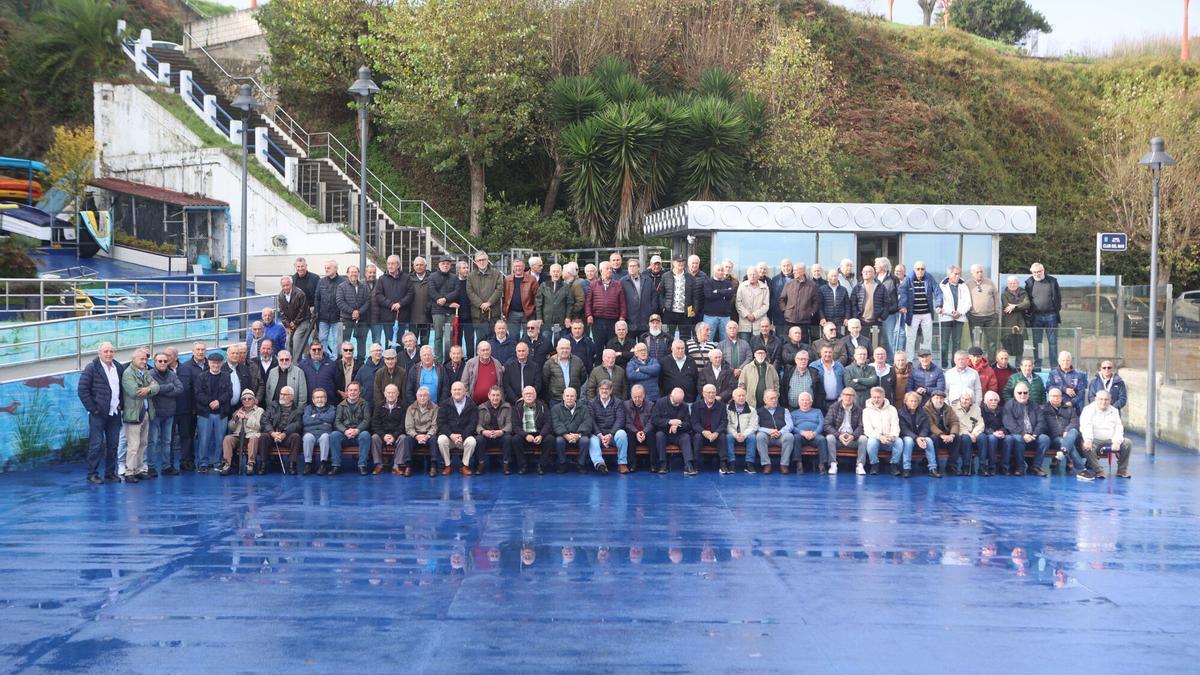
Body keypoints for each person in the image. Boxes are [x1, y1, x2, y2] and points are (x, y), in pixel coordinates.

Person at [117, 348, 158, 483]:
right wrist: (149, 387)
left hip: (145, 412)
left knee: (143, 443)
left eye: (146, 359)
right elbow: (134, 392)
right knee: (133, 445)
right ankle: (130, 472)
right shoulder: (128, 373)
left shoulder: (145, 372)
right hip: (134, 414)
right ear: (134, 359)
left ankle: (140, 469)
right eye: (141, 359)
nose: (144, 361)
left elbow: (156, 386)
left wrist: (148, 389)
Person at [1077, 389, 1132, 480]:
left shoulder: (1114, 410)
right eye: (1101, 399)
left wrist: (1117, 442)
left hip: (1110, 440)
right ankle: (1098, 470)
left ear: (1110, 400)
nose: (1103, 402)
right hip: (1094, 440)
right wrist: (1088, 440)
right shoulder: (1088, 410)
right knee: (1085, 445)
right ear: (1096, 399)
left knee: (1127, 443)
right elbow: (1086, 426)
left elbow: (1118, 427)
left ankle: (1122, 470)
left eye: (1106, 399)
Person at [193, 350, 232, 473]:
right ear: (209, 363)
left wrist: (219, 402)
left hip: (221, 413)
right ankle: (203, 463)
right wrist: (210, 402)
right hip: (205, 413)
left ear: (222, 363)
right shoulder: (201, 376)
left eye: (218, 363)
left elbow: (229, 393)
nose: (216, 365)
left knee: (220, 439)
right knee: (204, 439)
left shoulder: (226, 376)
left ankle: (217, 462)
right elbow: (198, 393)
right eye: (213, 363)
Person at [1002, 381, 1050, 476]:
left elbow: (1042, 422)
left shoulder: (1035, 406)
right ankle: (1020, 467)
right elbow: (1009, 424)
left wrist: (1035, 434)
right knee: (1018, 438)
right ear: (1015, 394)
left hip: (1033, 436)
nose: (1022, 395)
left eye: (1025, 393)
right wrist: (1023, 434)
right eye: (1019, 393)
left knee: (1045, 438)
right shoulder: (1009, 405)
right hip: (1019, 436)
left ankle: (1036, 467)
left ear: (1028, 394)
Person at [148, 351, 182, 476]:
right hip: (155, 414)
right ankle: (150, 467)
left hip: (169, 414)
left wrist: (159, 389)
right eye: (160, 361)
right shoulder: (150, 374)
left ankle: (166, 466)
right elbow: (151, 391)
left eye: (165, 361)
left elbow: (180, 389)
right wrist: (169, 387)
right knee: (152, 441)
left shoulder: (172, 374)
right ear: (155, 362)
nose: (163, 363)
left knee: (167, 442)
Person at [898, 261, 941, 360]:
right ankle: (909, 361)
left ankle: (926, 360)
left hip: (926, 313)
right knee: (910, 339)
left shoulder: (929, 277)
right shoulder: (908, 279)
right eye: (918, 269)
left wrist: (939, 305)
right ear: (914, 270)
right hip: (913, 314)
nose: (920, 271)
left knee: (928, 338)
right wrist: (902, 306)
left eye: (922, 269)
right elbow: (903, 292)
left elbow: (938, 291)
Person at [1024, 262, 1062, 369]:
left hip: (1051, 316)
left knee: (1053, 343)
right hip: (1036, 317)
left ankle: (1054, 367)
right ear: (1031, 272)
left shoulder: (1052, 281)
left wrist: (1055, 310)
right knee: (1037, 343)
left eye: (1039, 271)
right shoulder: (1029, 283)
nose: (1037, 274)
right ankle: (1038, 366)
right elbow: (1027, 299)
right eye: (1035, 272)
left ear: (1043, 270)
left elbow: (1058, 298)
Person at [466, 251, 504, 356]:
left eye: (483, 260)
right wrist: (481, 304)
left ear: (487, 261)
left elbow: (499, 289)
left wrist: (489, 303)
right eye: (479, 260)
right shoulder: (471, 276)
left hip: (493, 314)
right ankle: (479, 362)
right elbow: (470, 292)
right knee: (480, 340)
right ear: (475, 262)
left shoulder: (496, 273)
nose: (481, 262)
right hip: (478, 315)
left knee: (493, 340)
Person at [437, 381, 479, 475]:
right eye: (454, 389)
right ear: (451, 392)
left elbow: (472, 424)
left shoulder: (472, 405)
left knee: (472, 441)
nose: (457, 392)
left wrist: (463, 436)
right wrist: (451, 435)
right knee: (441, 439)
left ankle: (465, 465)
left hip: (464, 437)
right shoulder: (445, 404)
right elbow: (441, 423)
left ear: (464, 391)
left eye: (459, 389)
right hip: (450, 437)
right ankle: (447, 465)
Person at [218, 389, 264, 475]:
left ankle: (251, 464)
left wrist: (246, 417)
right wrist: (236, 419)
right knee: (227, 438)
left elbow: (259, 426)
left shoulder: (260, 411)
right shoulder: (238, 411)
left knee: (254, 438)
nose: (247, 401)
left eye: (249, 399)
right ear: (242, 401)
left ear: (254, 400)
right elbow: (231, 427)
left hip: (252, 434)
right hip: (238, 435)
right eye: (244, 399)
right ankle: (227, 464)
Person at [331, 381, 372, 476]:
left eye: (355, 390)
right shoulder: (340, 405)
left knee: (366, 435)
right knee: (334, 435)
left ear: (359, 392)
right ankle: (336, 465)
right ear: (347, 392)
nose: (352, 392)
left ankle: (362, 465)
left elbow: (366, 420)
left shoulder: (364, 404)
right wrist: (345, 431)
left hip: (359, 434)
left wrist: (357, 430)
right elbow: (337, 421)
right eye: (350, 390)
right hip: (345, 434)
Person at [375, 254, 414, 349]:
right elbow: (378, 295)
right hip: (387, 317)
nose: (390, 266)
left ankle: (400, 362)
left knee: (401, 342)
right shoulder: (382, 279)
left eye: (392, 263)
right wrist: (391, 304)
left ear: (398, 265)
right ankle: (388, 362)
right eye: (388, 264)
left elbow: (410, 294)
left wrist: (400, 304)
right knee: (389, 342)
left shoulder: (406, 278)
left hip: (402, 316)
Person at [651, 387, 694, 475]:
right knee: (659, 435)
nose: (677, 404)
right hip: (664, 432)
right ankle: (663, 465)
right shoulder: (660, 403)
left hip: (679, 433)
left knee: (686, 437)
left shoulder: (685, 406)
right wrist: (669, 422)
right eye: (675, 402)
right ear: (671, 396)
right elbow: (655, 420)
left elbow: (689, 424)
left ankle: (688, 465)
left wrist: (679, 424)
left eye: (679, 402)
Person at [822, 387, 865, 474]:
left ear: (854, 397)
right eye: (846, 395)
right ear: (841, 396)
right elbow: (827, 425)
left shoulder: (859, 410)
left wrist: (853, 436)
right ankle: (833, 464)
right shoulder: (834, 407)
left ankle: (860, 465)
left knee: (863, 439)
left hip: (853, 439)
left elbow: (861, 426)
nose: (848, 397)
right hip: (838, 439)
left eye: (851, 395)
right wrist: (838, 435)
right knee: (830, 438)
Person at [552, 387, 594, 473]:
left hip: (579, 436)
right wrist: (565, 435)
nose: (569, 398)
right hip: (563, 436)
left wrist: (578, 435)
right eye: (567, 396)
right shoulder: (555, 409)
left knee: (585, 440)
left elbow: (587, 423)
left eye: (572, 396)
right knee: (558, 440)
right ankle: (562, 464)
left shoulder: (584, 408)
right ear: (563, 397)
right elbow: (557, 424)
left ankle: (581, 464)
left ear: (576, 397)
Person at [262, 386, 303, 474]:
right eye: (281, 394)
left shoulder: (297, 410)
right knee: (263, 436)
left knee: (296, 437)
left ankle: (292, 465)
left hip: (286, 436)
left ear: (292, 397)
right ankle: (263, 464)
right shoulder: (273, 405)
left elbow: (297, 424)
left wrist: (284, 433)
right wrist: (272, 433)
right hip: (273, 434)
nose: (282, 396)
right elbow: (264, 420)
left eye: (285, 394)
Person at [511, 386, 552, 474]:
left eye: (531, 394)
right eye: (526, 394)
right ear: (522, 395)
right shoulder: (516, 408)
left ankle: (541, 465)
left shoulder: (543, 406)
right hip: (524, 434)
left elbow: (548, 423)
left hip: (538, 434)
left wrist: (541, 435)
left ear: (535, 395)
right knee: (515, 440)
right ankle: (523, 465)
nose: (529, 396)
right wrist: (525, 435)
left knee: (550, 439)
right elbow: (515, 426)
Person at [586, 261, 627, 350]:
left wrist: (622, 316)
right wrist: (589, 315)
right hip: (598, 321)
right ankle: (598, 364)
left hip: (613, 321)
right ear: (601, 271)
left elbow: (622, 303)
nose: (610, 271)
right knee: (598, 347)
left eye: (611, 269)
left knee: (612, 347)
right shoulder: (594, 285)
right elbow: (588, 302)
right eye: (607, 269)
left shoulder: (617, 284)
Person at [862, 386, 902, 476]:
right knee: (871, 442)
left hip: (889, 438)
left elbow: (895, 426)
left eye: (879, 397)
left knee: (899, 442)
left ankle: (894, 465)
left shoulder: (892, 409)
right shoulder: (866, 411)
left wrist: (892, 436)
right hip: (876, 438)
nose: (876, 400)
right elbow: (867, 430)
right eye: (874, 397)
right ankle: (874, 465)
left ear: (884, 396)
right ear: (871, 397)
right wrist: (880, 437)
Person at [589, 380, 627, 473]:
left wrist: (610, 435)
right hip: (599, 436)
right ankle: (600, 464)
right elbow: (591, 421)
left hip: (613, 436)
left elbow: (620, 420)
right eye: (602, 388)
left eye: (606, 389)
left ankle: (622, 463)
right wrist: (600, 435)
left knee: (622, 434)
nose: (604, 391)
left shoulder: (618, 403)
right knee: (591, 439)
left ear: (611, 390)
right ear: (598, 390)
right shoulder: (592, 403)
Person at [936, 265, 971, 368]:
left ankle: (955, 365)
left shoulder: (963, 285)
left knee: (957, 343)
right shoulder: (942, 285)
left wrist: (959, 312)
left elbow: (968, 302)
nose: (958, 276)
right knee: (944, 344)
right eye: (955, 273)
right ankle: (944, 366)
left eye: (959, 273)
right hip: (946, 318)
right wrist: (951, 312)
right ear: (949, 274)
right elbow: (941, 302)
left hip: (959, 318)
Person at [897, 391, 938, 478]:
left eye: (916, 401)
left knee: (929, 440)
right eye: (911, 401)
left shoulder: (923, 412)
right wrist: (916, 438)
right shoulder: (900, 413)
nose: (914, 403)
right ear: (906, 401)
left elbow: (926, 427)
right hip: (908, 437)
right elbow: (904, 429)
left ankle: (933, 468)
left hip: (920, 438)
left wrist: (921, 437)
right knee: (908, 441)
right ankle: (906, 468)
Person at [370, 384, 408, 475]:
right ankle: (379, 465)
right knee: (374, 437)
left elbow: (403, 424)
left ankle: (396, 466)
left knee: (403, 438)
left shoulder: (403, 406)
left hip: (397, 435)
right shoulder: (379, 406)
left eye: (393, 392)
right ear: (385, 394)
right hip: (383, 435)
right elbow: (375, 424)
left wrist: (394, 436)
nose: (391, 395)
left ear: (398, 394)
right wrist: (383, 436)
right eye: (389, 392)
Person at [753, 388, 793, 474]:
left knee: (789, 436)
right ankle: (766, 464)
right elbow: (756, 426)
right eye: (771, 398)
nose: (774, 400)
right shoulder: (758, 411)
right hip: (767, 436)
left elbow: (790, 425)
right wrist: (769, 431)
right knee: (760, 436)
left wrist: (780, 432)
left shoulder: (784, 410)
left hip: (781, 436)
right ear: (765, 400)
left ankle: (784, 465)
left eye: (775, 398)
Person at [689, 384, 726, 474]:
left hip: (715, 434)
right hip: (702, 433)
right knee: (697, 437)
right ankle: (695, 464)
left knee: (722, 437)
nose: (711, 395)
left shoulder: (721, 406)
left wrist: (716, 432)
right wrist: (703, 431)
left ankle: (723, 464)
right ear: (703, 394)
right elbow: (694, 423)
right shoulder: (696, 405)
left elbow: (724, 422)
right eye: (709, 392)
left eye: (713, 392)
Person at [659, 256, 699, 340]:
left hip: (685, 313)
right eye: (678, 261)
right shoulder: (665, 276)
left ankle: (685, 353)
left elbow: (695, 296)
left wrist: (694, 310)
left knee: (686, 337)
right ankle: (668, 353)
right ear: (673, 263)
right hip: (669, 312)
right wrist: (663, 306)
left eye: (682, 262)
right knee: (668, 337)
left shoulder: (690, 278)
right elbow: (660, 293)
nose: (681, 263)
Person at [335, 265, 371, 359]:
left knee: (362, 342)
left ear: (358, 273)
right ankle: (342, 361)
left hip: (362, 320)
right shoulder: (341, 286)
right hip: (346, 320)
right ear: (347, 274)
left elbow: (368, 301)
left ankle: (360, 361)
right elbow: (340, 302)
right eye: (351, 272)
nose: (353, 274)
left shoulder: (364, 286)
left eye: (355, 272)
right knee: (344, 342)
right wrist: (353, 312)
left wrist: (359, 312)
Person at [1043, 387, 1080, 475]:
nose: (1056, 398)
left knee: (1074, 431)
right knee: (1065, 441)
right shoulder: (1043, 409)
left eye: (1058, 396)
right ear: (1049, 397)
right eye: (1053, 396)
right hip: (1054, 438)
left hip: (1069, 435)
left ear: (1062, 397)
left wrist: (1067, 431)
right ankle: (1080, 468)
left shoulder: (1069, 409)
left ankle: (1063, 453)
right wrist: (1060, 433)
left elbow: (1075, 421)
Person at [430, 256, 461, 362]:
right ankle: (438, 360)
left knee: (449, 337)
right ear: (439, 265)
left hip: (450, 313)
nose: (445, 265)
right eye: (443, 263)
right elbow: (432, 292)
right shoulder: (432, 277)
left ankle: (449, 360)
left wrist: (444, 299)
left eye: (447, 263)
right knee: (438, 336)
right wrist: (447, 302)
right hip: (438, 312)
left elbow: (456, 292)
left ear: (450, 265)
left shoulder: (455, 277)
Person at [781, 262, 821, 343]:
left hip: (804, 321)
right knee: (788, 343)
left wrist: (811, 313)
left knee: (803, 343)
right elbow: (782, 299)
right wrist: (785, 311)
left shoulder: (812, 285)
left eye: (796, 270)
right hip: (789, 321)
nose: (793, 272)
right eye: (794, 270)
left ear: (803, 271)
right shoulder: (789, 283)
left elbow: (816, 302)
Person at [475, 385, 512, 474]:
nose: (495, 397)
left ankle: (506, 464)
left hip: (500, 436)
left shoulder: (507, 407)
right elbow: (478, 425)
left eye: (497, 395)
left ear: (501, 396)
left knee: (508, 438)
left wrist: (502, 431)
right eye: (493, 395)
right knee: (479, 439)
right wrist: (483, 432)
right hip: (487, 437)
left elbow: (509, 424)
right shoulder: (481, 408)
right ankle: (481, 464)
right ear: (489, 396)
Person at [966, 264, 1001, 355]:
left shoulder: (990, 282)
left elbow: (996, 298)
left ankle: (992, 364)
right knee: (976, 342)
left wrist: (996, 312)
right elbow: (964, 300)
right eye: (977, 272)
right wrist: (968, 314)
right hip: (975, 318)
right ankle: (976, 364)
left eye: (981, 271)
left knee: (992, 342)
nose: (980, 274)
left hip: (991, 318)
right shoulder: (968, 284)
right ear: (972, 273)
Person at [405, 386, 440, 476]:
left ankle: (433, 466)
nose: (422, 398)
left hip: (429, 435)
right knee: (407, 439)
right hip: (416, 435)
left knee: (434, 439)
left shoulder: (435, 408)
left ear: (429, 396)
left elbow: (435, 426)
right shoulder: (411, 408)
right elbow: (409, 427)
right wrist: (416, 436)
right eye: (420, 395)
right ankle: (408, 466)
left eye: (425, 395)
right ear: (417, 396)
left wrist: (427, 436)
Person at [301, 388, 337, 475]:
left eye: (322, 397)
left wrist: (314, 416)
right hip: (310, 433)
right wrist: (323, 420)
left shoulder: (332, 408)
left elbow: (330, 418)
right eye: (317, 397)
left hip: (324, 433)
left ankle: (323, 464)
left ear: (326, 399)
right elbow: (306, 420)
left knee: (325, 437)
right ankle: (308, 464)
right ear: (313, 399)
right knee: (307, 437)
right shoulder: (308, 408)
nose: (319, 399)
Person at [314, 260, 346, 356]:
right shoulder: (321, 281)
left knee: (338, 340)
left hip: (338, 318)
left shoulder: (343, 282)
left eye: (328, 268)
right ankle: (325, 357)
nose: (326, 270)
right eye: (325, 268)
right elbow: (317, 298)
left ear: (335, 269)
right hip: (323, 317)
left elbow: (345, 299)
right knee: (322, 338)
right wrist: (316, 312)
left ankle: (336, 359)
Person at [923, 389, 959, 476]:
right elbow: (930, 425)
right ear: (931, 398)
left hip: (947, 435)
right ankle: (936, 466)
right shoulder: (925, 409)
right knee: (933, 438)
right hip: (934, 435)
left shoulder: (948, 408)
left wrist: (952, 434)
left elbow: (955, 422)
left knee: (957, 438)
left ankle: (951, 466)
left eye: (941, 398)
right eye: (937, 398)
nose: (939, 400)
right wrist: (942, 435)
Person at [789, 391, 825, 474]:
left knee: (822, 439)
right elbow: (792, 427)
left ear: (811, 402)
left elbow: (821, 424)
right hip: (800, 435)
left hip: (815, 435)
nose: (804, 402)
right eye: (802, 400)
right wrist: (802, 432)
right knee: (796, 438)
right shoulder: (793, 413)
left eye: (807, 400)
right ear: (798, 402)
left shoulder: (818, 411)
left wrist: (815, 433)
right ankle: (799, 464)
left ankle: (822, 465)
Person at [949, 390, 983, 476]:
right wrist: (967, 433)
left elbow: (981, 423)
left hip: (973, 434)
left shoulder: (977, 409)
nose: (964, 401)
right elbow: (954, 424)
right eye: (963, 398)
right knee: (966, 438)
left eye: (967, 399)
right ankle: (966, 467)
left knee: (982, 438)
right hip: (960, 434)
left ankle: (983, 467)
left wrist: (975, 433)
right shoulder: (953, 408)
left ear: (971, 401)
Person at [502, 258, 539, 337]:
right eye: (516, 266)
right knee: (513, 337)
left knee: (528, 337)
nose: (518, 268)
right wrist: (504, 311)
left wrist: (534, 310)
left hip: (528, 313)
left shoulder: (532, 279)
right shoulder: (507, 279)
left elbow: (537, 297)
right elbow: (504, 296)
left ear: (524, 267)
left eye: (520, 266)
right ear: (513, 268)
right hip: (512, 314)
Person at [727, 387, 760, 474]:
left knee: (752, 437)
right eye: (739, 396)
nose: (741, 397)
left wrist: (744, 435)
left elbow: (754, 426)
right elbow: (727, 424)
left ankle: (749, 463)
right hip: (733, 434)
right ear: (733, 397)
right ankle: (731, 463)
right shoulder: (727, 409)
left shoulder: (752, 410)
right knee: (728, 437)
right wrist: (735, 434)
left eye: (743, 395)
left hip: (746, 434)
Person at [543, 338, 587, 403]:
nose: (565, 350)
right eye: (562, 348)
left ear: (570, 349)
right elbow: (545, 380)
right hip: (556, 399)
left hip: (573, 399)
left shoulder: (578, 361)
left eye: (567, 348)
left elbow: (583, 377)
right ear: (557, 349)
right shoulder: (550, 363)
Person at [624, 384, 656, 471]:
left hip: (646, 432)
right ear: (631, 395)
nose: (637, 399)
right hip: (633, 432)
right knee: (629, 435)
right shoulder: (626, 405)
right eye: (635, 397)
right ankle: (632, 465)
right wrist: (636, 432)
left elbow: (651, 422)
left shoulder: (651, 405)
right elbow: (627, 423)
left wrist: (644, 432)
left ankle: (653, 465)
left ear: (644, 395)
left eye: (639, 397)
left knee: (651, 435)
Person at [463, 340, 505, 406]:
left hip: (493, 406)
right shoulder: (470, 363)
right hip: (474, 405)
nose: (485, 352)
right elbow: (464, 384)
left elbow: (501, 385)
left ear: (490, 351)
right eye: (483, 350)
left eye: (487, 350)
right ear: (478, 352)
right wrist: (469, 402)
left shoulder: (497, 363)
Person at [290, 257, 319, 351]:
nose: (300, 268)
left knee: (313, 335)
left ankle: (314, 354)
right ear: (295, 267)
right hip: (298, 312)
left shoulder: (315, 278)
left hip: (312, 309)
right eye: (298, 266)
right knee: (301, 336)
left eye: (302, 266)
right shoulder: (292, 279)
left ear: (306, 266)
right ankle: (305, 356)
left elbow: (318, 296)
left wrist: (316, 311)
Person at [278, 276, 311, 357]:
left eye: (287, 285)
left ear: (291, 284)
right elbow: (282, 312)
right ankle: (288, 358)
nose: (285, 287)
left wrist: (295, 322)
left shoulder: (300, 293)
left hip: (303, 321)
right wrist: (287, 325)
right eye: (283, 286)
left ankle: (296, 360)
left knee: (296, 338)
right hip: (290, 323)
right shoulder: (281, 295)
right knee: (288, 340)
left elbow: (303, 311)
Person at [851, 265, 887, 339]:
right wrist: (856, 317)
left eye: (868, 272)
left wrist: (882, 316)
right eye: (864, 272)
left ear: (874, 274)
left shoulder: (880, 287)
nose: (865, 273)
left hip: (876, 320)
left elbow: (886, 302)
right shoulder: (858, 287)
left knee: (876, 344)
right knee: (862, 344)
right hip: (862, 321)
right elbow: (853, 303)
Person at [735, 266, 769, 342]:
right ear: (747, 275)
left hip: (759, 322)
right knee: (744, 346)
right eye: (750, 274)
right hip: (744, 323)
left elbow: (766, 305)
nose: (752, 276)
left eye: (754, 274)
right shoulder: (742, 286)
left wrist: (754, 315)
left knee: (758, 346)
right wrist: (747, 314)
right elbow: (738, 303)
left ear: (758, 275)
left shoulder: (764, 287)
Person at [701, 263, 734, 340]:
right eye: (718, 270)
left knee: (726, 340)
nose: (720, 272)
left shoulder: (728, 283)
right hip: (710, 316)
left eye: (722, 270)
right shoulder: (708, 282)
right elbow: (709, 295)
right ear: (714, 271)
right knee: (707, 339)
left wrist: (717, 291)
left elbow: (730, 295)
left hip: (725, 316)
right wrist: (724, 293)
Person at [1000, 276, 1030, 360]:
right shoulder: (1004, 294)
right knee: (1006, 346)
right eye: (1010, 283)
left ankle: (1018, 367)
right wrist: (1020, 305)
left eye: (1014, 283)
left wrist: (1014, 306)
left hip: (1020, 323)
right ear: (1007, 284)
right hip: (1007, 324)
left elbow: (1027, 304)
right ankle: (1006, 365)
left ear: (1018, 283)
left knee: (1019, 347)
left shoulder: (1023, 293)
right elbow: (1007, 307)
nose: (1012, 285)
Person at [875, 257, 901, 356]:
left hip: (890, 314)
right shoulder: (874, 279)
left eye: (876, 264)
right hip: (876, 314)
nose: (875, 266)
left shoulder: (893, 279)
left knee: (890, 339)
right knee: (877, 339)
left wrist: (898, 307)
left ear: (883, 266)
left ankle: (892, 361)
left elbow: (899, 294)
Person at [659, 339, 698, 403]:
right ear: (672, 349)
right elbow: (660, 382)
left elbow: (696, 380)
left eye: (682, 348)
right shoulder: (664, 362)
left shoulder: (691, 361)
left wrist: (693, 397)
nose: (681, 350)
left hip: (688, 401)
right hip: (669, 402)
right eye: (678, 348)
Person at [979, 391, 1006, 477]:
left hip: (999, 433)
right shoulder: (980, 410)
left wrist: (1002, 431)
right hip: (985, 433)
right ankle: (991, 467)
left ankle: (1004, 467)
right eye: (990, 400)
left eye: (995, 400)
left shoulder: (1002, 410)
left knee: (1008, 439)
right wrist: (992, 433)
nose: (993, 402)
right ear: (985, 401)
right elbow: (981, 425)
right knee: (992, 438)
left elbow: (1006, 424)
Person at [407, 256, 433, 345]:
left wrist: (429, 307)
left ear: (425, 266)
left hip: (427, 316)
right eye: (417, 265)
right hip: (412, 316)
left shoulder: (432, 278)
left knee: (425, 343)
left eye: (421, 265)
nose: (419, 267)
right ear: (413, 267)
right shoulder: (408, 279)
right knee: (412, 342)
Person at [818, 269, 850, 335]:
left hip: (840, 320)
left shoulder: (843, 289)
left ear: (838, 277)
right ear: (828, 278)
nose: (833, 278)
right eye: (832, 276)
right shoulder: (822, 289)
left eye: (835, 276)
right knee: (827, 338)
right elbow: (819, 306)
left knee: (841, 338)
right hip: (827, 320)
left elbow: (847, 305)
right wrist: (822, 317)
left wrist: (847, 317)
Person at [769, 259, 793, 336]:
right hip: (778, 315)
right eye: (784, 266)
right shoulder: (775, 279)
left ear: (791, 266)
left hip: (793, 316)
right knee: (779, 338)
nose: (786, 268)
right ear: (781, 267)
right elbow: (772, 297)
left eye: (788, 265)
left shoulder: (796, 278)